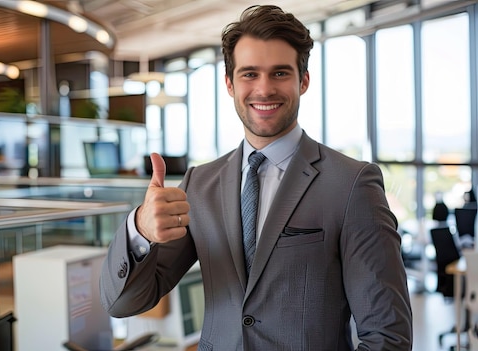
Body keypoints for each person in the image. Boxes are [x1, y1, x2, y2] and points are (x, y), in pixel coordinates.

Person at [100, 5, 412, 350]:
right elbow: (124, 304)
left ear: (303, 81)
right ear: (230, 84)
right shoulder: (200, 184)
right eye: (250, 74)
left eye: (280, 73)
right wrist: (140, 231)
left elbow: (387, 336)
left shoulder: (352, 184)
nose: (264, 89)